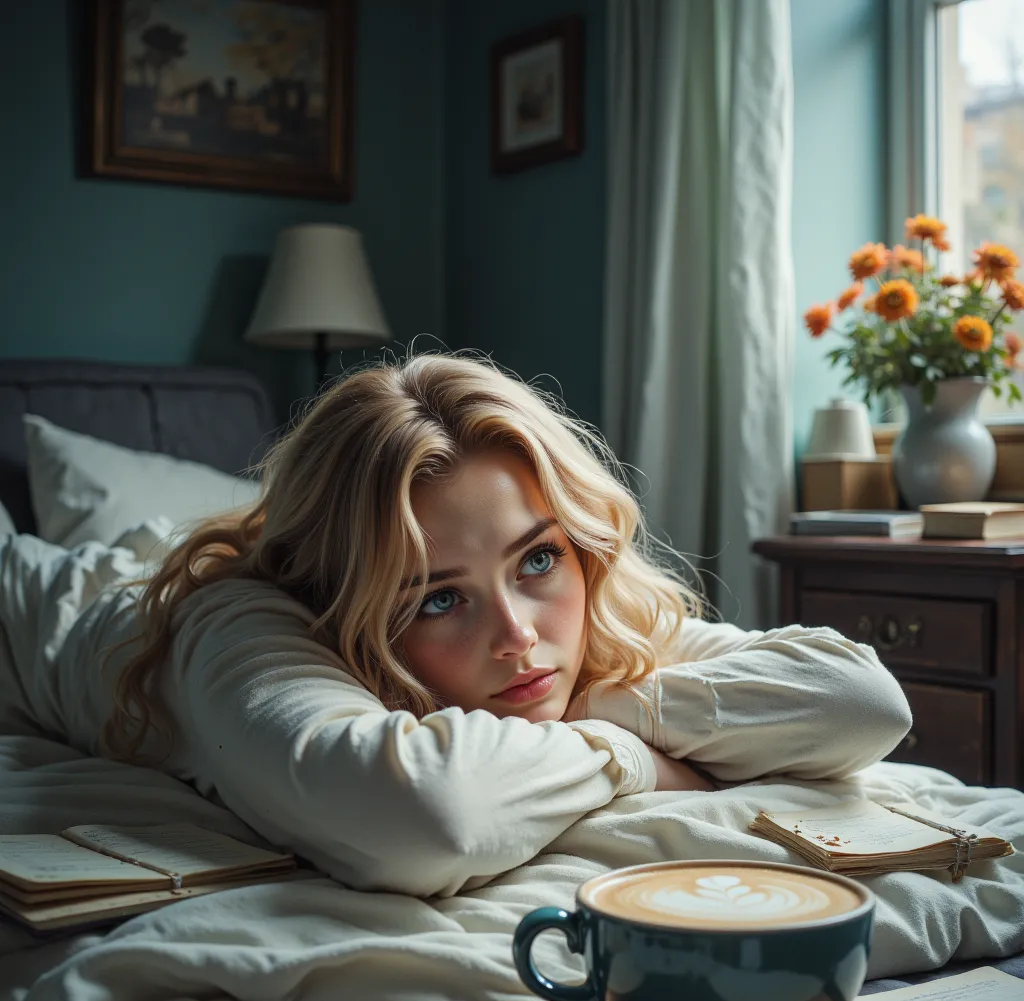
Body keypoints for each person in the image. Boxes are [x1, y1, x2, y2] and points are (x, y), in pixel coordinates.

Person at [9, 352, 913, 899]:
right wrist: (630, 753)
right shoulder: (240, 629)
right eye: (439, 598)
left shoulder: (580, 619)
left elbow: (860, 701)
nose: (519, 636)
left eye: (537, 559)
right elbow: (423, 820)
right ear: (341, 611)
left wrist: (613, 703)